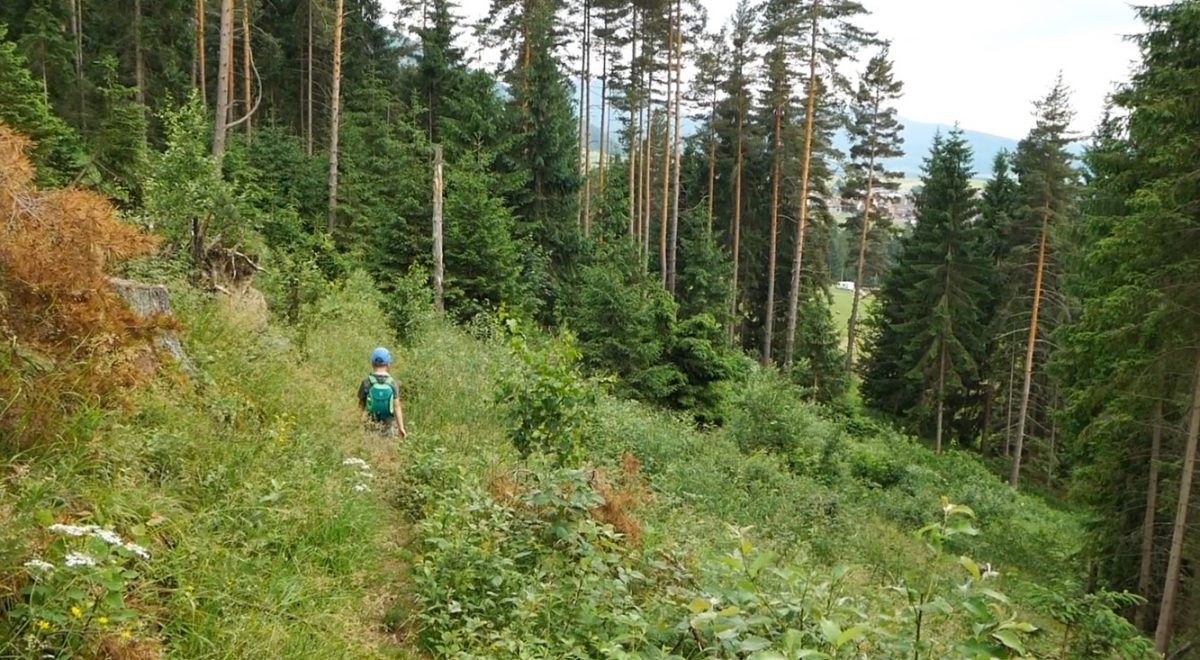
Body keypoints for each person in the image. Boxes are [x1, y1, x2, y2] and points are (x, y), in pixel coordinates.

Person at [357, 347, 408, 439]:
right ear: (388, 364)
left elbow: (361, 406)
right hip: (387, 424)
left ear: (372, 363)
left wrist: (357, 424)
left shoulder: (366, 382)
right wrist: (401, 427)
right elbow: (397, 406)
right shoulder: (392, 383)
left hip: (370, 423)